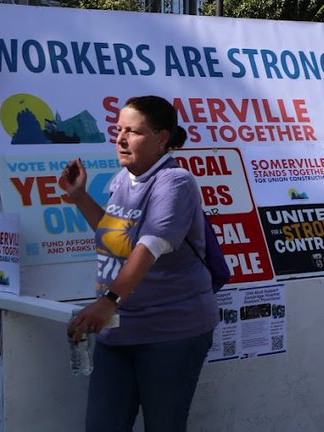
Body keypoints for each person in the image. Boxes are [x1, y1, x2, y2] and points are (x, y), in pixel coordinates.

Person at [61, 95, 218, 432]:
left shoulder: (175, 183)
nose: (120, 139)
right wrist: (79, 196)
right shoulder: (122, 179)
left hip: (170, 333)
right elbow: (116, 239)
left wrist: (107, 302)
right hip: (118, 331)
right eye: (118, 130)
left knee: (164, 426)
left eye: (133, 132)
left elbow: (148, 247)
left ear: (162, 138)